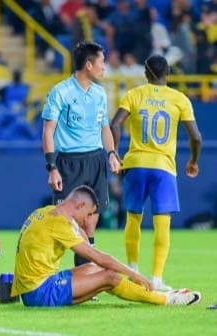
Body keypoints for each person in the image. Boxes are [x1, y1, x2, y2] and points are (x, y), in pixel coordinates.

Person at [11, 185, 201, 307]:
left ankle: (156, 293)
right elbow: (98, 256)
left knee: (94, 269)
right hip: (40, 291)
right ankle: (166, 299)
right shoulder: (59, 224)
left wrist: (77, 224)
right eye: (88, 213)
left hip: (34, 286)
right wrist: (135, 274)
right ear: (80, 205)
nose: (87, 220)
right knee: (108, 276)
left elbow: (85, 242)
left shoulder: (46, 212)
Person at [110, 54, 202, 291]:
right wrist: (193, 161)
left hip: (136, 164)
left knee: (133, 217)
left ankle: (132, 270)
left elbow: (115, 124)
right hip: (163, 168)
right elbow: (196, 137)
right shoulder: (179, 99)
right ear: (168, 73)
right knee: (162, 223)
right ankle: (158, 279)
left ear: (145, 73)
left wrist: (115, 153)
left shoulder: (134, 94)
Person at [41, 41, 120, 267]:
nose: (104, 68)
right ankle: (43, 271)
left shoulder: (99, 94)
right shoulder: (60, 92)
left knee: (90, 225)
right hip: (68, 164)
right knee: (63, 223)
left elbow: (104, 127)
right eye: (102, 62)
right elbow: (48, 132)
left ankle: (86, 275)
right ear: (88, 65)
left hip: (95, 161)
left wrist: (112, 153)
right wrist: (52, 167)